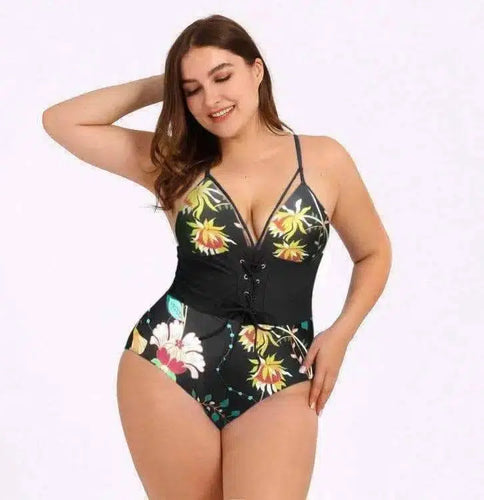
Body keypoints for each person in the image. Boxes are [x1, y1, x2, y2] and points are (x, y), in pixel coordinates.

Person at [42, 13, 392, 500]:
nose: (211, 99)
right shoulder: (173, 162)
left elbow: (374, 252)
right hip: (169, 362)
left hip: (282, 369)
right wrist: (164, 84)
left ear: (256, 70)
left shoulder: (324, 159)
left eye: (222, 77)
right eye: (192, 89)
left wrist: (341, 333)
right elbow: (61, 121)